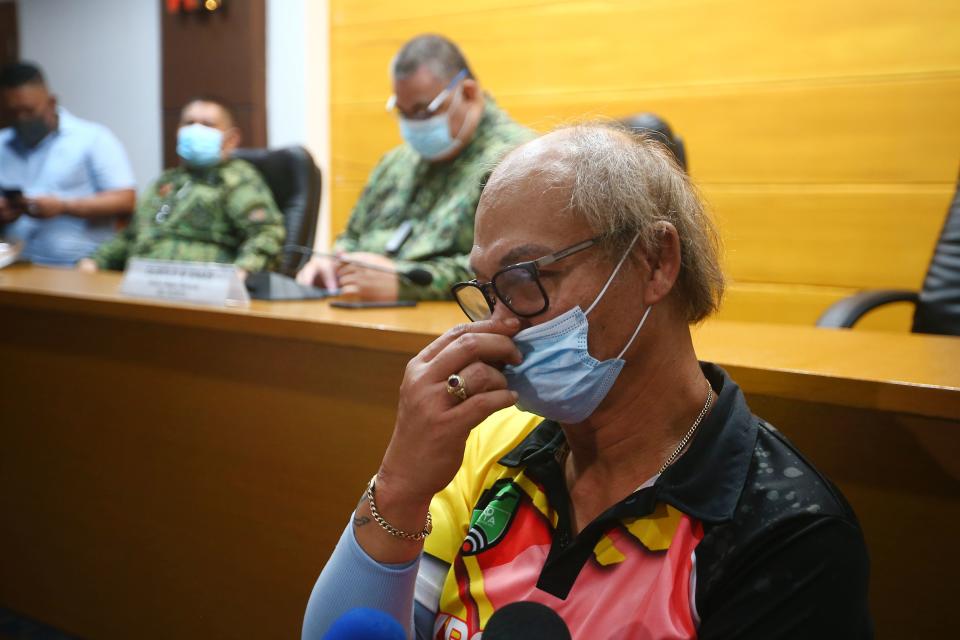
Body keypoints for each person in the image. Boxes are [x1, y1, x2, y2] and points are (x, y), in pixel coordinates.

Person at [301, 124, 872, 639]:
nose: (501, 322)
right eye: (487, 290)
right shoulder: (489, 446)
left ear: (654, 261)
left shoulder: (783, 531)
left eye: (526, 278)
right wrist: (402, 486)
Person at [296, 34, 532, 301]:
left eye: (423, 111)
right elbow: (352, 237)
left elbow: (510, 270)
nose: (413, 125)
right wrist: (332, 263)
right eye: (403, 113)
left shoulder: (517, 162)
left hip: (457, 324)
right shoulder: (394, 164)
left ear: (468, 93)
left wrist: (404, 281)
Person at [78, 97, 284, 276]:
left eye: (208, 124)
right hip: (141, 287)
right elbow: (132, 236)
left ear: (231, 139)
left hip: (200, 295)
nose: (196, 130)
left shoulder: (236, 179)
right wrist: (94, 262)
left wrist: (242, 273)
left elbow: (266, 234)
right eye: (189, 123)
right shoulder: (165, 181)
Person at [0, 62, 136, 266]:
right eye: (14, 112)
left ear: (52, 103)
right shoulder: (2, 143)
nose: (22, 119)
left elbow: (125, 199)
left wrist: (64, 206)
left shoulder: (93, 138)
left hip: (77, 265)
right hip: (13, 264)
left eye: (29, 111)